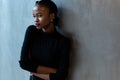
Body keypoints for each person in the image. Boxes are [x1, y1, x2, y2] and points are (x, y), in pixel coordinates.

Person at [19, 0, 71, 80]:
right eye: (34, 16)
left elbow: (61, 75)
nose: (35, 20)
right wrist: (54, 71)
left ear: (52, 16)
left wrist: (33, 72)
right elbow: (23, 63)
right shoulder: (32, 31)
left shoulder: (62, 42)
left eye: (39, 15)